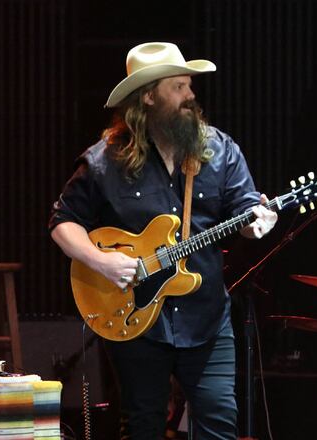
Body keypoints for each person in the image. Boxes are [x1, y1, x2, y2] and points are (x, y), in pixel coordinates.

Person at [49, 42, 278, 439]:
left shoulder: (219, 150)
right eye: (178, 87)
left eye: (189, 85)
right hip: (134, 320)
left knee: (220, 422)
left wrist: (259, 221)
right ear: (149, 97)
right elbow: (62, 221)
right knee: (142, 425)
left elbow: (246, 208)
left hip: (206, 318)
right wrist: (101, 262)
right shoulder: (104, 161)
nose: (191, 96)